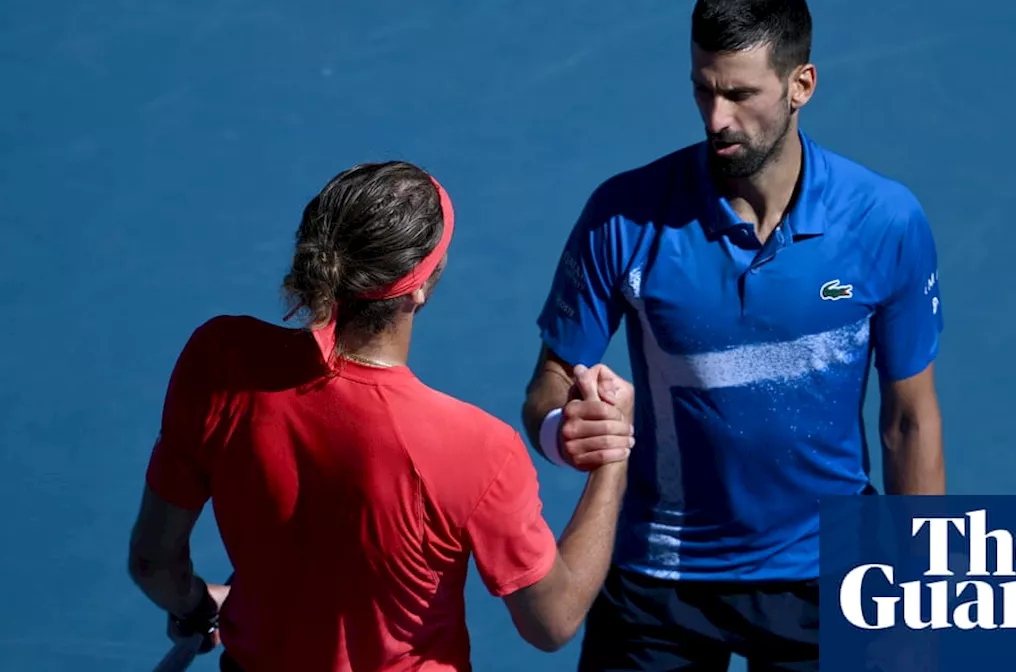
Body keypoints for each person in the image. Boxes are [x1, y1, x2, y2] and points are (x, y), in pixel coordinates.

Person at [521, 0, 946, 669]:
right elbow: (550, 379)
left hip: (827, 575)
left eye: (741, 94)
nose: (717, 119)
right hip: (659, 583)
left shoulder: (883, 221)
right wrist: (562, 427)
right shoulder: (622, 215)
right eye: (703, 89)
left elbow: (908, 422)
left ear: (801, 84)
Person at [127, 161, 637, 671]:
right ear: (419, 288)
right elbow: (552, 622)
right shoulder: (477, 447)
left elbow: (154, 562)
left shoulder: (220, 359)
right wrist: (614, 453)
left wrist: (196, 604)